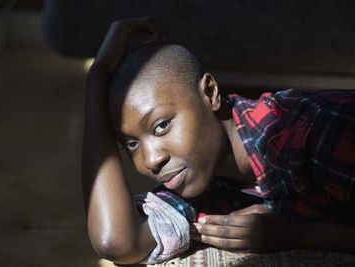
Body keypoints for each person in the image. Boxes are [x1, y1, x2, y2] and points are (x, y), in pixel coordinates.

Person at [82, 17, 355, 265]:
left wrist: (299, 235)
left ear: (210, 93)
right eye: (131, 144)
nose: (152, 159)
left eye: (162, 125)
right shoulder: (200, 179)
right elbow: (117, 242)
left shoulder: (315, 131)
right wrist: (96, 78)